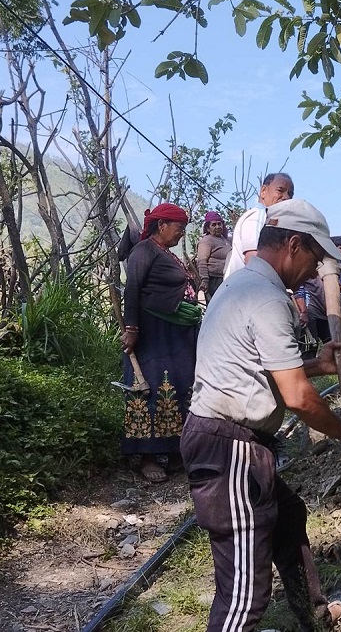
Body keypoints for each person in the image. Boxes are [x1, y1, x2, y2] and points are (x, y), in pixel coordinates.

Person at [184, 198, 341, 632]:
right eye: (315, 257)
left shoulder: (244, 286)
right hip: (228, 448)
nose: (315, 270)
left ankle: (313, 615)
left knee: (288, 517)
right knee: (244, 594)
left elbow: (260, 371)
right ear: (293, 245)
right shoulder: (265, 298)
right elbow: (299, 398)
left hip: (235, 440)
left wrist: (319, 365)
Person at [120, 203, 203, 484]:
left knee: (180, 387)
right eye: (179, 228)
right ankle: (148, 456)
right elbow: (132, 289)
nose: (181, 234)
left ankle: (177, 448)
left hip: (175, 334)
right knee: (152, 388)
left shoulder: (165, 253)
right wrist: (132, 329)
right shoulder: (143, 251)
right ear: (162, 226)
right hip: (153, 334)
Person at [223, 172, 295, 281]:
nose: (286, 197)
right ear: (263, 191)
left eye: (290, 194)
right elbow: (252, 259)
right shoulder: (258, 215)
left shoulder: (269, 220)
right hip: (245, 290)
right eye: (280, 190)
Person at [196, 210, 231, 303]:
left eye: (219, 224)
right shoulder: (206, 241)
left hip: (227, 278)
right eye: (214, 225)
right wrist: (205, 280)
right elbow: (202, 261)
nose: (218, 227)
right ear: (208, 228)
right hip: (215, 281)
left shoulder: (226, 240)